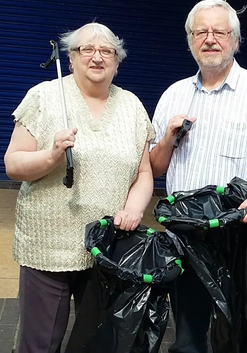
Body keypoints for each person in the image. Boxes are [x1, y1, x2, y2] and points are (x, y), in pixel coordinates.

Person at [149, 0, 247, 352]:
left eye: (220, 31)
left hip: (241, 239)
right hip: (186, 237)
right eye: (201, 32)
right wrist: (169, 138)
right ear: (190, 40)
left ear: (235, 39)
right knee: (188, 337)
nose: (210, 39)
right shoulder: (174, 94)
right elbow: (155, 167)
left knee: (243, 335)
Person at [4, 22, 154, 353]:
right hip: (47, 245)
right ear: (71, 58)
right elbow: (13, 165)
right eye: (87, 49)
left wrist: (134, 208)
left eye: (107, 51)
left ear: (117, 61)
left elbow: (144, 172)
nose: (97, 57)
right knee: (40, 343)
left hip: (106, 248)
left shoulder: (131, 106)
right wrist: (51, 155)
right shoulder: (43, 96)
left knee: (98, 341)